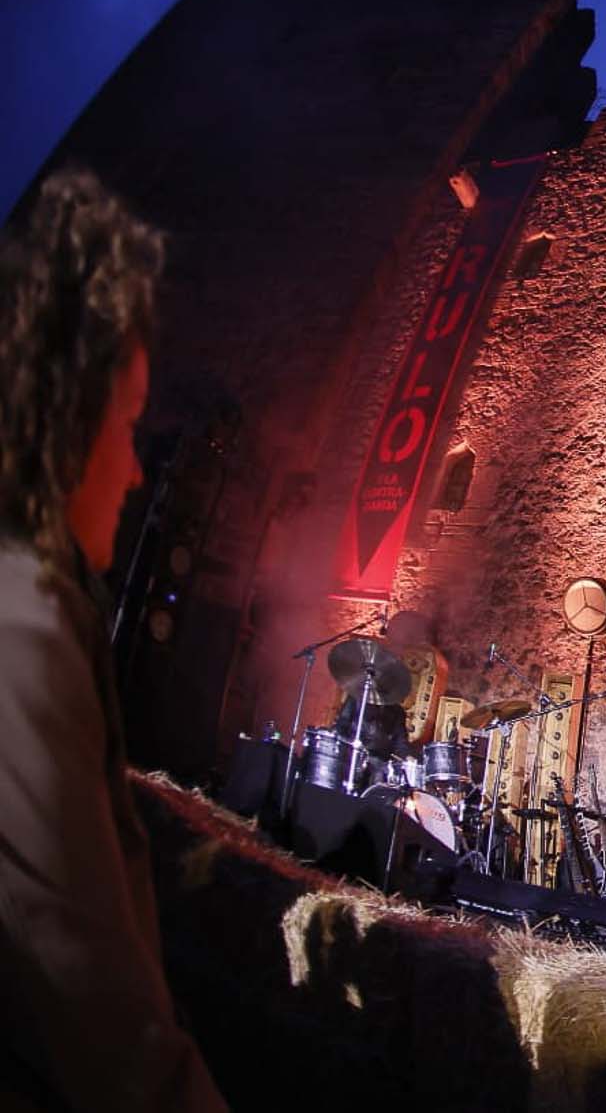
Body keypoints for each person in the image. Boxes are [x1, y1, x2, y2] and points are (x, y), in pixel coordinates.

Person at [0, 169, 227, 1109]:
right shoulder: (25, 627)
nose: (136, 470)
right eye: (128, 425)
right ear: (64, 421)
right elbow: (98, 1013)